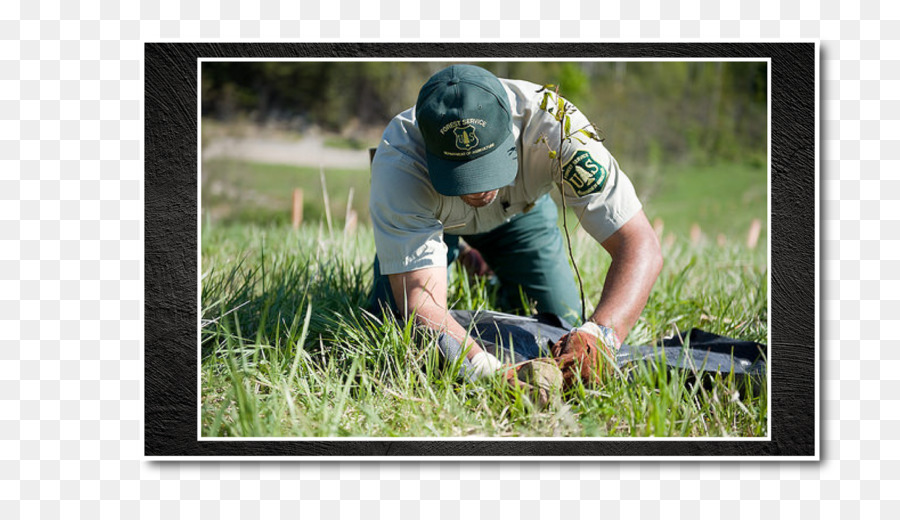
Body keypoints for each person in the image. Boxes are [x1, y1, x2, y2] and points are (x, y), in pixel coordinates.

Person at [367, 64, 662, 381]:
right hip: (437, 226)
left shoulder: (559, 127)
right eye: (461, 176)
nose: (478, 190)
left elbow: (639, 244)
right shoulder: (398, 162)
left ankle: (486, 272)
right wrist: (488, 371)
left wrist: (600, 335)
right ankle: (453, 254)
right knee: (391, 324)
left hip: (518, 219)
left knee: (560, 320)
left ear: (513, 131)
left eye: (486, 169)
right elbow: (421, 304)